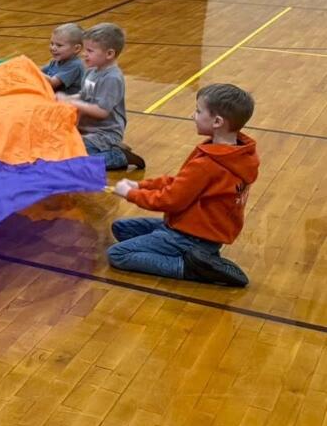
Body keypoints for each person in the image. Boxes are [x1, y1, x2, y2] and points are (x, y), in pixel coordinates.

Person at [108, 84, 257, 287]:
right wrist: (140, 185)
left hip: (192, 236)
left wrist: (130, 194)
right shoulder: (235, 152)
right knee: (121, 228)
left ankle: (190, 267)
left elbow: (171, 200)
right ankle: (200, 256)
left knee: (118, 254)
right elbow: (180, 183)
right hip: (199, 232)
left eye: (198, 111)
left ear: (217, 122)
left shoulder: (209, 163)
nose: (192, 115)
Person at [58, 22, 146, 171]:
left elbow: (101, 111)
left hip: (105, 133)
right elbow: (85, 95)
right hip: (87, 131)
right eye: (85, 49)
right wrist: (69, 98)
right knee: (62, 148)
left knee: (77, 159)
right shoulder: (91, 71)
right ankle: (110, 149)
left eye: (90, 51)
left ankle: (119, 156)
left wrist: (74, 103)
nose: (84, 54)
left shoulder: (112, 78)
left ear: (109, 54)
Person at [42, 23, 85, 95]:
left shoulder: (74, 65)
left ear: (76, 49)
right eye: (52, 43)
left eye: (59, 45)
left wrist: (31, 69)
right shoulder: (55, 61)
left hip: (69, 100)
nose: (53, 48)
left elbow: (52, 83)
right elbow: (39, 71)